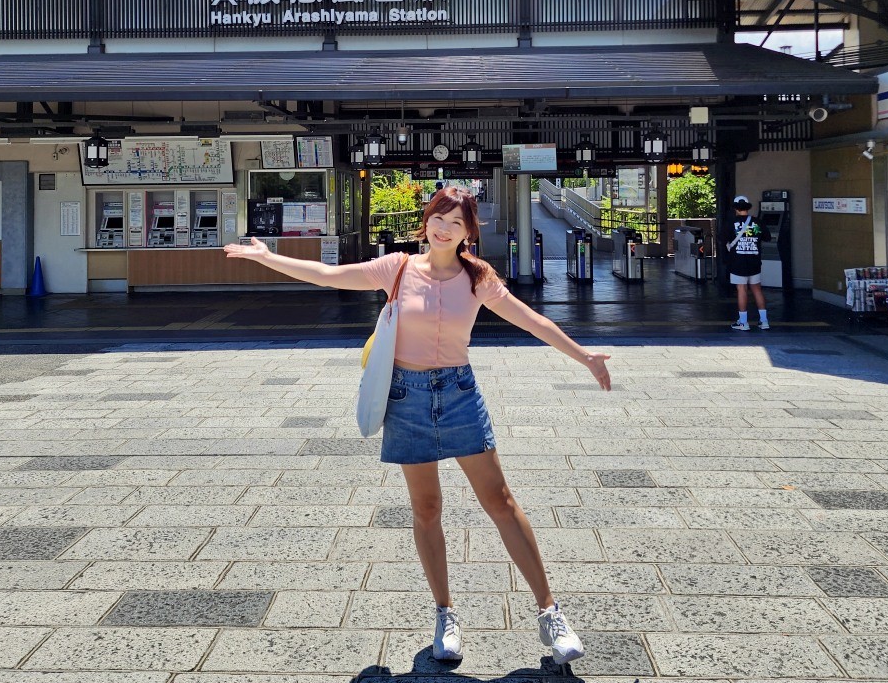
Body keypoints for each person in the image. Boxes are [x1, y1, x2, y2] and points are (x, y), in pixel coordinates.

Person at [224, 185, 610, 667]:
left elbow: (531, 320)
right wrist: (268, 257)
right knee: (427, 508)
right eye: (437, 218)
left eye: (456, 222)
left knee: (501, 502)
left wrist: (584, 356)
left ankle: (549, 613)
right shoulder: (398, 268)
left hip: (459, 394)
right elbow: (327, 275)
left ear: (470, 230)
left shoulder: (478, 278)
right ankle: (445, 614)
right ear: (426, 221)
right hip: (406, 396)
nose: (444, 229)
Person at [726, 194, 769, 330]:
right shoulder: (757, 222)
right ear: (747, 207)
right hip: (754, 261)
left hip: (738, 261)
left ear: (736, 209)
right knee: (757, 289)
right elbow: (767, 237)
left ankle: (743, 322)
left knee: (741, 289)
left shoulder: (731, 222)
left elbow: (722, 238)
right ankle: (764, 321)